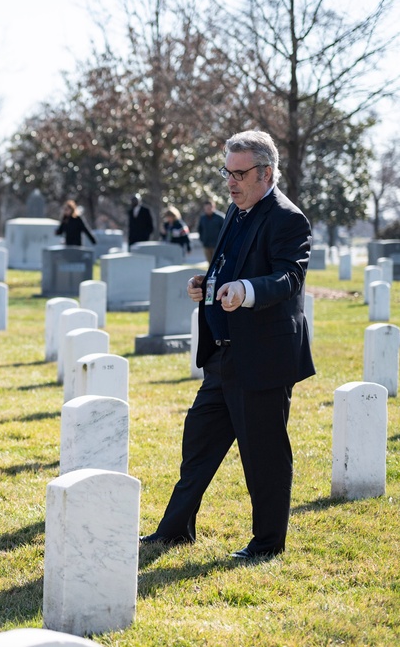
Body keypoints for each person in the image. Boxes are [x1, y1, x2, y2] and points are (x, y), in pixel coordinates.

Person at [140, 130, 314, 559]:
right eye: (227, 172)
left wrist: (247, 290)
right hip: (223, 355)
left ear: (266, 172)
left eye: (240, 173)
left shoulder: (288, 218)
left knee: (264, 457)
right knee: (198, 442)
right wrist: (208, 283)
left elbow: (289, 277)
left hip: (263, 358)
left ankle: (268, 544)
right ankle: (175, 530)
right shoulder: (237, 213)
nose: (231, 182)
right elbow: (229, 264)